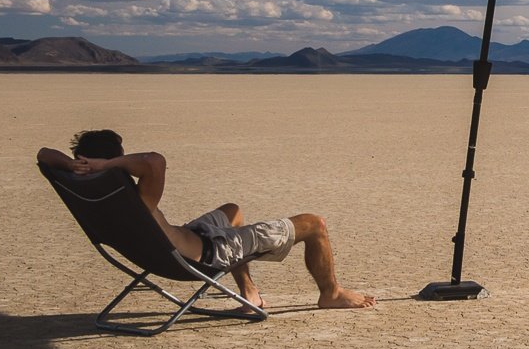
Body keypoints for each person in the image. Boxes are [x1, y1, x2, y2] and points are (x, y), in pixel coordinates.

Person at [37, 129, 374, 310]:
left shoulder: (86, 189)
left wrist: (75, 165)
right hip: (206, 255)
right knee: (314, 224)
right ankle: (331, 293)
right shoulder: (133, 197)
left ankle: (249, 292)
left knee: (233, 210)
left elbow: (43, 154)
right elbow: (154, 162)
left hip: (168, 246)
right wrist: (112, 166)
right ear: (115, 159)